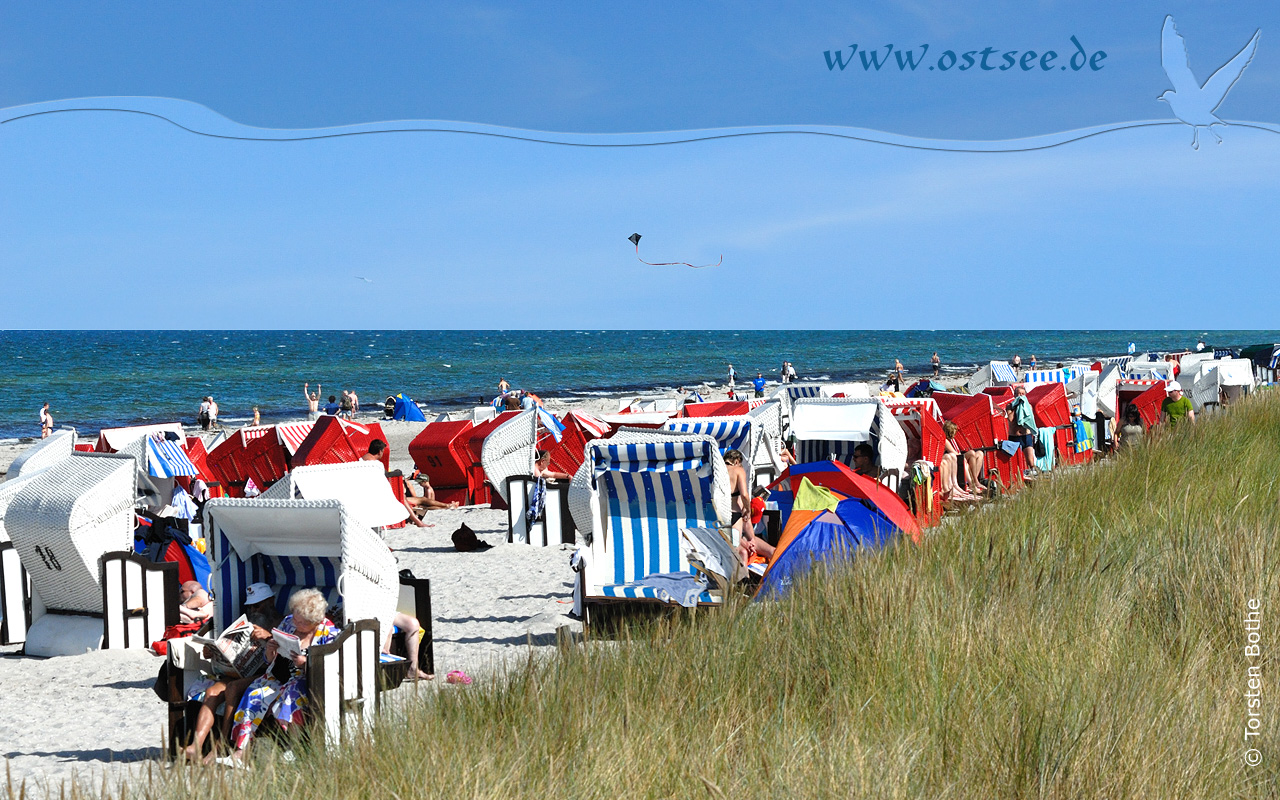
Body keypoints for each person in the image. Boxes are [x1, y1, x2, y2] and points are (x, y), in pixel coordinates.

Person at [224, 588, 339, 765]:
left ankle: (293, 748)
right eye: (295, 617)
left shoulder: (328, 632)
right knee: (254, 694)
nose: (296, 623)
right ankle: (241, 752)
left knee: (290, 695)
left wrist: (306, 663)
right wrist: (270, 651)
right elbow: (269, 660)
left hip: (307, 680)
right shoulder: (288, 622)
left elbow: (331, 666)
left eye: (302, 622)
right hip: (280, 673)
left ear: (314, 621)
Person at [182, 583, 279, 764]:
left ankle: (222, 745)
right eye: (250, 606)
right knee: (211, 692)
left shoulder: (282, 623)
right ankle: (196, 746)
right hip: (240, 672)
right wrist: (213, 652)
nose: (253, 610)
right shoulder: (247, 624)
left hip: (265, 675)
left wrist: (268, 636)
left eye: (257, 606)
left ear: (270, 601)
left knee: (233, 689)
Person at [940, 421, 985, 501]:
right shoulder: (946, 440)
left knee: (980, 454)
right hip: (955, 460)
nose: (956, 433)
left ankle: (974, 480)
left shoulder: (953, 440)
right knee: (971, 454)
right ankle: (973, 482)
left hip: (959, 456)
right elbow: (954, 453)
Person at [1006, 386, 1038, 478]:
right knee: (1015, 463)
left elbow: (1029, 419)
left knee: (1030, 462)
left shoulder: (1028, 406)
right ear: (1015, 395)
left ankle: (1032, 476)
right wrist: (1016, 406)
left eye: (1023, 394)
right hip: (1014, 437)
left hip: (1026, 436)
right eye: (1019, 394)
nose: (1021, 396)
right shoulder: (1010, 406)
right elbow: (1011, 419)